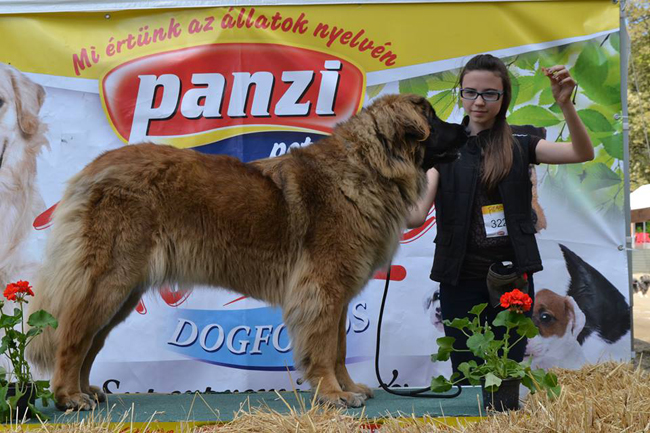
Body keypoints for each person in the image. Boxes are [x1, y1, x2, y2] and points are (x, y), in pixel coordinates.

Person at [406, 54, 594, 378]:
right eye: (470, 92)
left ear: (503, 97)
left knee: (507, 374)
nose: (479, 101)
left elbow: (582, 152)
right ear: (461, 94)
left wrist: (566, 105)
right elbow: (415, 215)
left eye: (489, 93)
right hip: (459, 279)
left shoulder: (522, 144)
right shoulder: (442, 150)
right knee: (465, 374)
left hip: (512, 280)